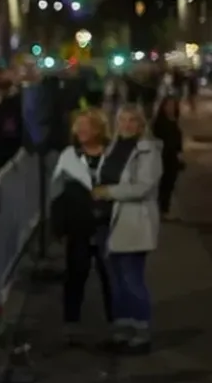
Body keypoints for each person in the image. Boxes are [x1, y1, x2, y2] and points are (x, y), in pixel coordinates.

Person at [92, 104, 162, 353]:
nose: (127, 125)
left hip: (133, 222)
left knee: (132, 279)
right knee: (117, 280)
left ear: (141, 124)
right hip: (109, 221)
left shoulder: (148, 151)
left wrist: (108, 192)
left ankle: (141, 332)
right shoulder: (114, 147)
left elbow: (143, 186)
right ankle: (121, 330)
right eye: (122, 120)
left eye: (132, 120)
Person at [51, 109, 114, 345]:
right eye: (78, 127)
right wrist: (58, 227)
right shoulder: (69, 156)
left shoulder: (112, 154)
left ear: (98, 128)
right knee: (76, 275)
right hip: (78, 227)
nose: (81, 131)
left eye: (86, 126)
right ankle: (71, 323)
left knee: (110, 276)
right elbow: (56, 194)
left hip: (107, 226)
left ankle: (116, 322)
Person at [151, 95, 184, 219]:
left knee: (170, 184)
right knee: (163, 184)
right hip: (162, 157)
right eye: (168, 105)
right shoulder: (159, 122)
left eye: (173, 105)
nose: (171, 107)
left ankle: (164, 209)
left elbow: (177, 140)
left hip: (172, 158)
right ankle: (161, 209)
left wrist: (179, 154)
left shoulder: (174, 120)